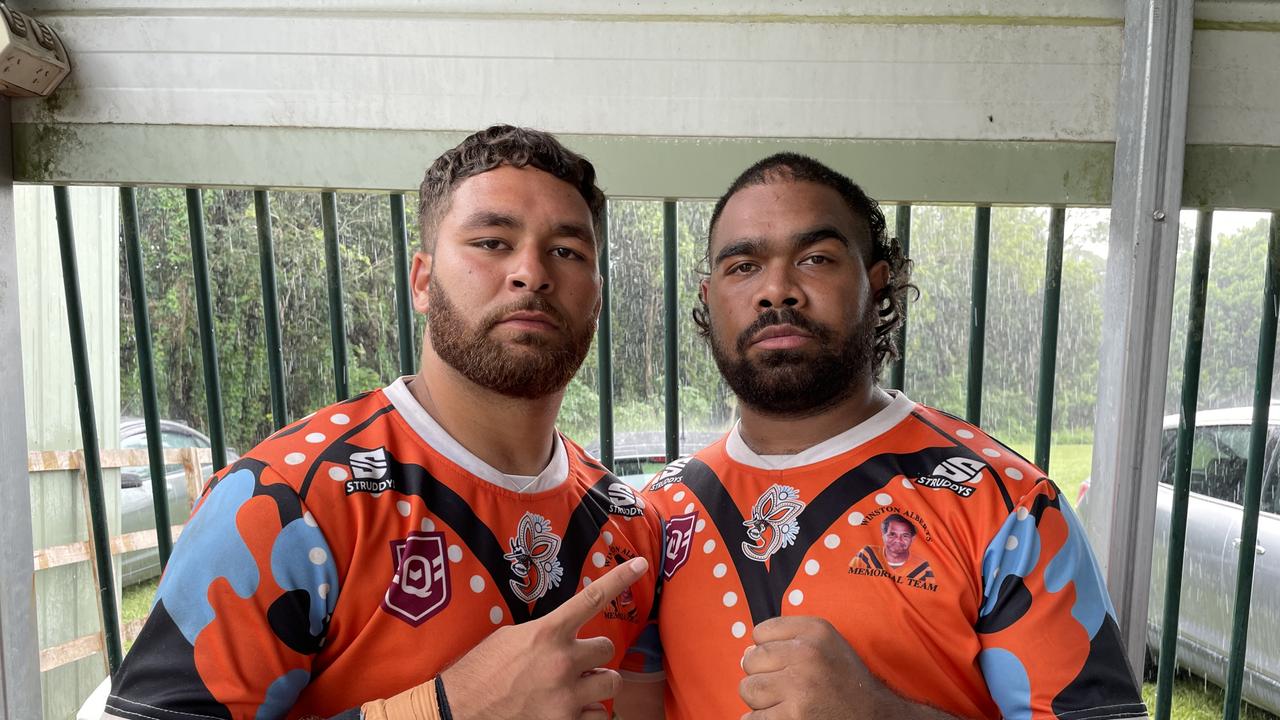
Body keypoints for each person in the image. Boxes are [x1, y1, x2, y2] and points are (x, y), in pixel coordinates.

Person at [105, 125, 662, 720]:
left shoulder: (629, 525)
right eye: (493, 242)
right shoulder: (286, 501)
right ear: (423, 281)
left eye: (567, 251)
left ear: (595, 297)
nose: (531, 272)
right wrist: (442, 710)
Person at [616, 153, 1147, 719]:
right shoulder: (659, 513)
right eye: (743, 266)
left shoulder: (1007, 504)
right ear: (708, 299)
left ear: (876, 285)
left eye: (815, 258)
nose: (776, 290)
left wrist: (880, 713)